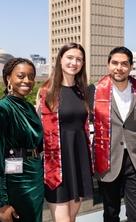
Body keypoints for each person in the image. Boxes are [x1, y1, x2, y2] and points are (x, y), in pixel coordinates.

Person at [88, 46, 136, 222]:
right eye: (115, 63)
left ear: (131, 66)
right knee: (110, 214)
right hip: (107, 160)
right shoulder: (93, 91)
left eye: (124, 64)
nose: (119, 67)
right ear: (108, 64)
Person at [36, 43, 93, 222]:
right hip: (57, 164)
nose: (74, 62)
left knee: (72, 216)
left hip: (79, 159)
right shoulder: (47, 92)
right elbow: (37, 128)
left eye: (79, 59)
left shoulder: (83, 91)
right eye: (70, 57)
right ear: (60, 60)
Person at [0, 58, 44, 222]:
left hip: (36, 177)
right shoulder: (0, 109)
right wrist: (2, 202)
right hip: (17, 182)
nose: (27, 81)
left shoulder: (28, 107)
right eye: (21, 76)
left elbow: (37, 143)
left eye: (31, 77)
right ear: (8, 78)